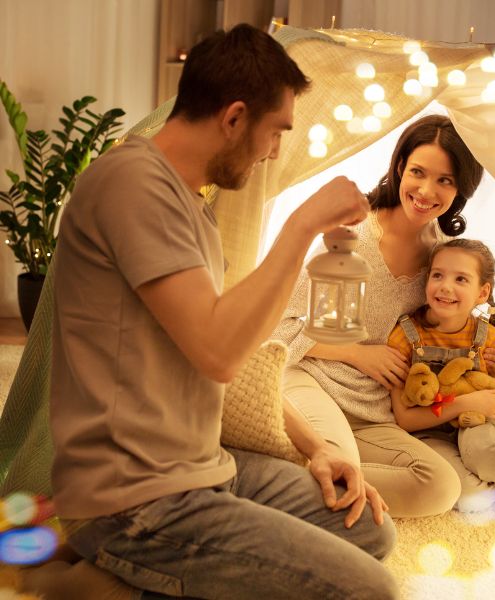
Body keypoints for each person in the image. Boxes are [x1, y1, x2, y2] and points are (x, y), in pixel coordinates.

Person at [49, 24, 400, 600]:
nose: (275, 152)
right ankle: (111, 575)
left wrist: (320, 448)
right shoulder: (132, 185)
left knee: (367, 531)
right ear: (234, 118)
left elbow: (234, 355)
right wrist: (301, 224)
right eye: (276, 132)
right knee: (370, 590)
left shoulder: (192, 206)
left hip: (201, 464)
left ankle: (122, 582)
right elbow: (217, 352)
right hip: (133, 497)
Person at [273, 114, 495, 518]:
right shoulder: (350, 237)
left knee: (442, 487)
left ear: (461, 189)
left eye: (445, 180)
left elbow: (461, 329)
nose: (427, 191)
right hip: (312, 381)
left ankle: (300, 480)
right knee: (342, 467)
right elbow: (278, 329)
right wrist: (356, 353)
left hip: (374, 409)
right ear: (399, 168)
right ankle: (308, 480)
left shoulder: (443, 255)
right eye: (418, 172)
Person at [389, 239, 495, 512]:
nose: (446, 286)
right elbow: (405, 419)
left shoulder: (488, 338)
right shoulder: (404, 335)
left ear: (482, 293)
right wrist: (464, 403)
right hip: (427, 431)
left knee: (487, 457)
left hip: (477, 423)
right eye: (438, 275)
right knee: (465, 493)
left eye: (461, 278)